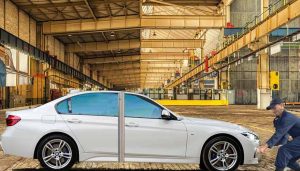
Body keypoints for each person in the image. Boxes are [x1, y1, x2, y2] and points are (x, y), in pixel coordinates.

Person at [257, 98, 300, 171]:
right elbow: (283, 134)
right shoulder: (277, 120)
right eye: (271, 109)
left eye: (274, 108)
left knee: (283, 150)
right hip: (297, 139)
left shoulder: (288, 117)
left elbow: (279, 134)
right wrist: (281, 143)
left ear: (282, 106)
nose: (273, 111)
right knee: (289, 161)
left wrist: (265, 146)